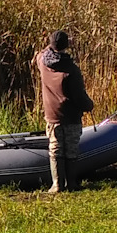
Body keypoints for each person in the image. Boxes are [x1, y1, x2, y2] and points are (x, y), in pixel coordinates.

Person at [37, 29, 93, 192]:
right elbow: (79, 97)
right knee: (71, 149)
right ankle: (72, 184)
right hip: (70, 116)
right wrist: (89, 106)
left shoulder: (42, 61)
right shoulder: (71, 69)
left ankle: (57, 184)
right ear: (66, 46)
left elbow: (41, 52)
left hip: (52, 115)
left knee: (55, 148)